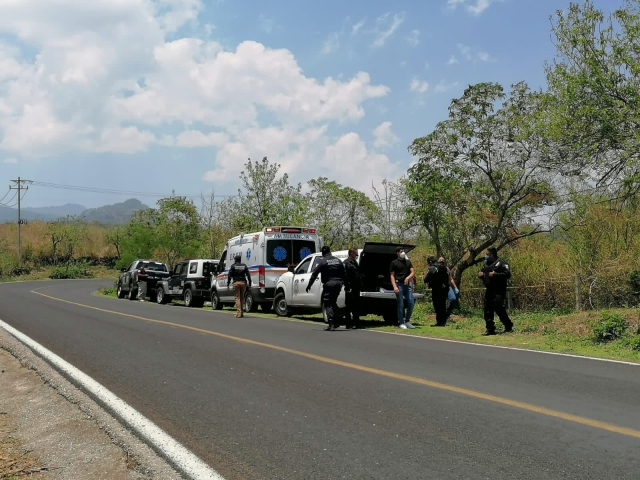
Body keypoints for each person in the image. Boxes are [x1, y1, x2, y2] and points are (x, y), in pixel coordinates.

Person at [306, 245, 345, 331]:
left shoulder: (322, 261)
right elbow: (344, 272)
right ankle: (336, 322)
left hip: (329, 284)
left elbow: (314, 274)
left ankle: (331, 324)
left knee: (327, 302)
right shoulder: (338, 261)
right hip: (338, 284)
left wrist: (309, 285)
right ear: (330, 251)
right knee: (333, 302)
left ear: (323, 253)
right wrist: (344, 283)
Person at [478, 247, 514, 335]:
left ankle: (508, 325)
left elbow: (507, 274)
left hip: (499, 290)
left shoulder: (502, 263)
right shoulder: (486, 264)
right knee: (487, 309)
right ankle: (490, 329)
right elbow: (484, 273)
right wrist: (481, 275)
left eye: (487, 254)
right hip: (489, 289)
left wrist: (496, 274)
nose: (485, 256)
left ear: (492, 255)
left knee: (498, 308)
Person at [390, 246, 416, 329]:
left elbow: (412, 272)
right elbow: (392, 275)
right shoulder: (394, 263)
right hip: (399, 285)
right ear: (397, 253)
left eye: (403, 251)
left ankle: (407, 321)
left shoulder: (408, 262)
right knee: (400, 304)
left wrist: (408, 278)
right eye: (401, 251)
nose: (403, 253)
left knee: (411, 302)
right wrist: (395, 286)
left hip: (407, 285)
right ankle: (401, 322)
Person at [424, 256, 450, 326]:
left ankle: (439, 322)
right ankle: (443, 322)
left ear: (430, 262)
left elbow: (426, 279)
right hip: (444, 289)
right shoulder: (444, 267)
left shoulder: (432, 268)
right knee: (443, 305)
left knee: (437, 306)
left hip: (436, 289)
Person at [227, 254, 252, 318]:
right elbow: (248, 275)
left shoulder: (233, 266)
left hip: (236, 283)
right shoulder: (244, 266)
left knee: (237, 298)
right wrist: (250, 284)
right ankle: (242, 313)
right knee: (242, 298)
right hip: (243, 283)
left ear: (235, 260)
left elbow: (229, 276)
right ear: (240, 260)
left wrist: (228, 284)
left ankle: (239, 313)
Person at [343, 248, 362, 329]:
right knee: (349, 306)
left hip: (356, 287)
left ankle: (356, 323)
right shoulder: (346, 263)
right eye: (356, 254)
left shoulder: (355, 262)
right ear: (351, 254)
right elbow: (344, 276)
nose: (356, 256)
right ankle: (348, 323)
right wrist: (347, 286)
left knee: (356, 305)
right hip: (349, 287)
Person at [439, 256, 460, 320]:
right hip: (440, 288)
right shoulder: (436, 268)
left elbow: (450, 279)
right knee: (441, 302)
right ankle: (441, 317)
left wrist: (455, 287)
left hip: (448, 287)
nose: (442, 261)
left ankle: (447, 314)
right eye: (440, 260)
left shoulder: (447, 269)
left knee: (453, 299)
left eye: (443, 260)